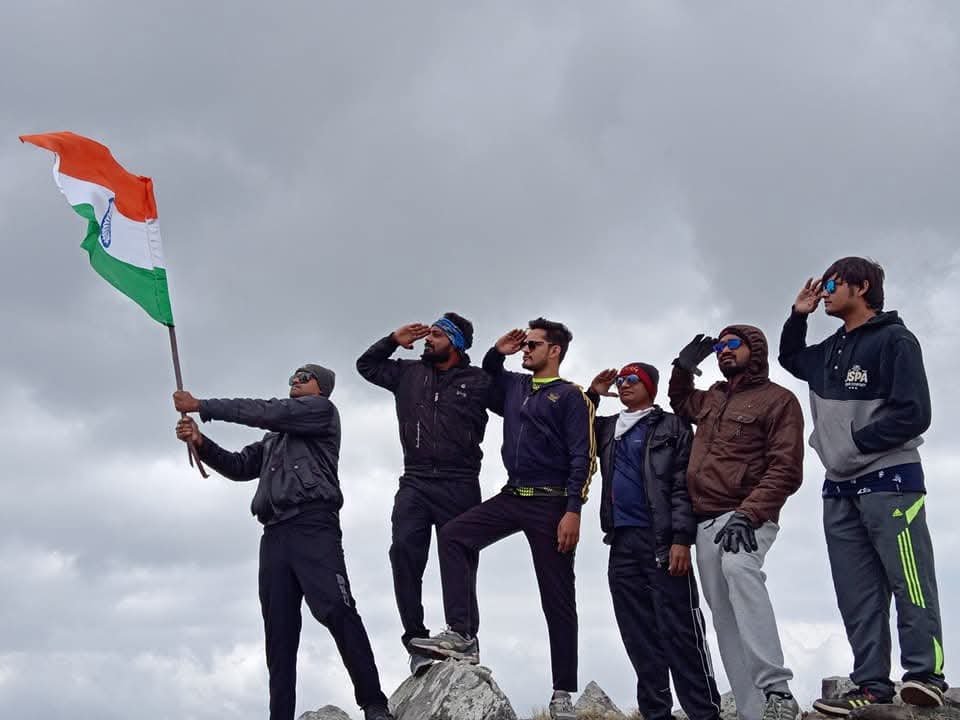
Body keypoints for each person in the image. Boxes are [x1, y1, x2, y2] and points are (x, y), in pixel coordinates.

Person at [172, 365, 392, 720]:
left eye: (303, 377)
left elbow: (267, 411)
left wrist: (202, 406)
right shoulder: (274, 439)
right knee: (279, 635)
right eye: (292, 377)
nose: (294, 381)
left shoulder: (322, 411)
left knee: (338, 611)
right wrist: (200, 442)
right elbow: (239, 466)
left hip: (313, 526)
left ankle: (374, 704)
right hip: (274, 535)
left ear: (322, 388)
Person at [779, 257, 948, 714]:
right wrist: (798, 316)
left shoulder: (896, 340)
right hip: (839, 489)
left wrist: (855, 443)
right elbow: (790, 359)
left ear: (862, 287)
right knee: (856, 594)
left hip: (891, 480)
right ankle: (872, 685)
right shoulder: (830, 348)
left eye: (834, 282)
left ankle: (925, 676)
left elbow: (915, 413)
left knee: (909, 579)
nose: (825, 290)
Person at [410, 318, 596, 720]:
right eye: (525, 344)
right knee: (454, 535)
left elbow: (583, 456)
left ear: (555, 351)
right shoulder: (516, 386)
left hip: (551, 504)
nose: (526, 350)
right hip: (513, 495)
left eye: (533, 345)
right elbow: (491, 373)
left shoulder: (570, 396)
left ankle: (562, 692)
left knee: (557, 599)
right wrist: (498, 351)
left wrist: (573, 511)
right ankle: (463, 634)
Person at [668, 326, 803, 720]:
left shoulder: (779, 400)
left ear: (754, 350)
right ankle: (754, 712)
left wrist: (748, 513)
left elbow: (786, 467)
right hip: (705, 521)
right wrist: (682, 368)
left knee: (740, 568)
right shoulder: (712, 397)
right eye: (719, 346)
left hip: (746, 514)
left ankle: (778, 691)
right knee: (724, 618)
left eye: (732, 345)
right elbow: (681, 401)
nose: (723, 351)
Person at [356, 313, 491, 676]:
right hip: (415, 480)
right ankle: (416, 642)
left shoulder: (478, 381)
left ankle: (463, 636)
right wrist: (391, 340)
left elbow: (515, 400)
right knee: (403, 553)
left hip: (460, 482)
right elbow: (366, 366)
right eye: (428, 334)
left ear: (456, 343)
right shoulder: (408, 373)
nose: (428, 339)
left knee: (460, 561)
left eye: (437, 335)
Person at [588, 362, 721, 720]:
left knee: (682, 633)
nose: (624, 384)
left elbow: (683, 484)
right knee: (638, 636)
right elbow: (573, 427)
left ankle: (704, 713)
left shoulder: (673, 426)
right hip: (621, 543)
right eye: (621, 380)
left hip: (662, 542)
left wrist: (681, 539)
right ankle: (655, 713)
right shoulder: (607, 427)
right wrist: (594, 394)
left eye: (633, 380)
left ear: (650, 386)